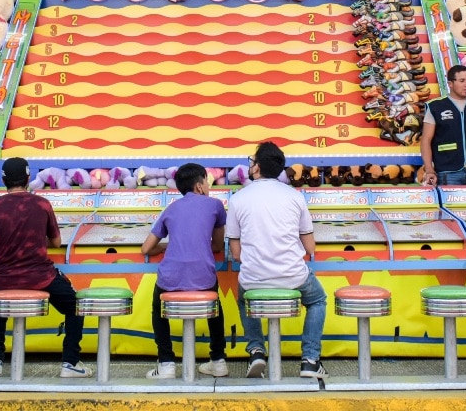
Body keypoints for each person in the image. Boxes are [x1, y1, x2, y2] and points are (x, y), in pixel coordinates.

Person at [0, 157, 92, 379]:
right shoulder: (42, 204)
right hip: (41, 276)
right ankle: (70, 363)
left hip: (5, 279)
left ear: (3, 179)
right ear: (28, 178)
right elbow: (56, 243)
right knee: (76, 306)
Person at [227, 141, 328, 379]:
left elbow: (237, 253)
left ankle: (256, 351)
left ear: (257, 167)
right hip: (293, 276)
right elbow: (310, 247)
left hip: (253, 277)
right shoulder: (295, 196)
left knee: (243, 298)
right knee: (318, 300)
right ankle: (311, 360)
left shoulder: (238, 199)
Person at [140, 162, 228, 379]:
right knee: (215, 307)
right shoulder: (215, 206)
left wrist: (170, 245)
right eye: (207, 182)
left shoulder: (170, 209)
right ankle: (218, 359)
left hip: (170, 277)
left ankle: (166, 362)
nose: (209, 187)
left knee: (157, 308)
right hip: (204, 278)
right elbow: (217, 246)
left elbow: (146, 248)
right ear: (199, 186)